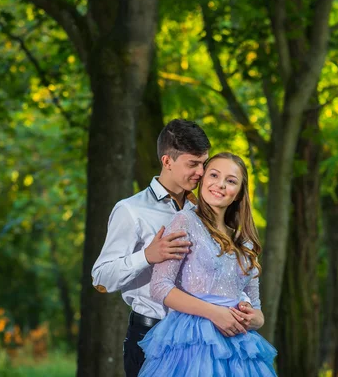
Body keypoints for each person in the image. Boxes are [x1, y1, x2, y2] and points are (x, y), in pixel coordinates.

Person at [91, 120, 252, 377]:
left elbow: (225, 269)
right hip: (150, 333)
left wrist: (240, 303)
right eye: (193, 164)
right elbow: (100, 278)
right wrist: (146, 256)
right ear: (167, 161)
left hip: (201, 338)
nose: (201, 172)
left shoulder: (205, 210)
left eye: (204, 163)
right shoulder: (131, 210)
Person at [137, 152, 277, 376]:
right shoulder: (185, 221)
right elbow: (160, 285)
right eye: (214, 175)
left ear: (239, 193)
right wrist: (214, 313)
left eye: (230, 181)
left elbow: (257, 308)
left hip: (237, 346)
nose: (220, 185)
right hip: (192, 341)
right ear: (202, 180)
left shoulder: (245, 242)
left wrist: (255, 319)